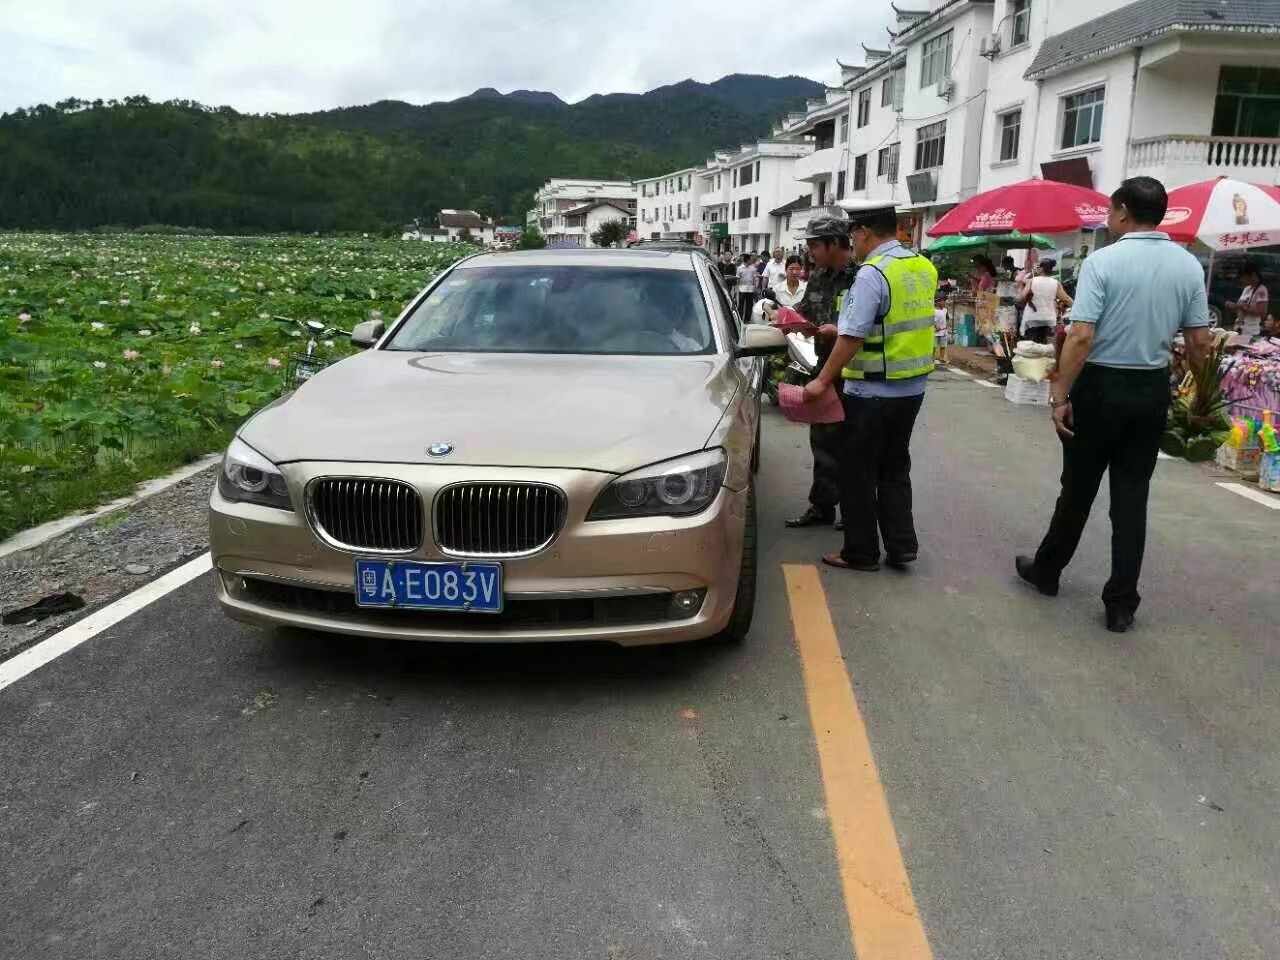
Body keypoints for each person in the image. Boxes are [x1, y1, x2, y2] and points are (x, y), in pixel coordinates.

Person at [1016, 177, 1213, 634]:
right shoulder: (1187, 266)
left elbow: (1081, 335)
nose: (1108, 218)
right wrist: (1200, 397)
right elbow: (1200, 342)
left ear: (1123, 211)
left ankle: (1048, 570)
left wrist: (1060, 395)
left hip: (1102, 387)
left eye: (1110, 210)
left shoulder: (1103, 262)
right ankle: (1121, 603)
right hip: (1150, 389)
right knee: (1131, 496)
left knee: (1078, 488)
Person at [804, 202, 938, 571]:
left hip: (871, 392)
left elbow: (853, 336)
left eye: (854, 236)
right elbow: (893, 320)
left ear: (863, 233)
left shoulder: (871, 273)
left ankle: (860, 552)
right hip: (912, 389)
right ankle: (901, 546)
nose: (853, 244)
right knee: (895, 469)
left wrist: (822, 381)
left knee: (857, 474)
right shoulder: (922, 266)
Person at [764, 211, 858, 529]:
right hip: (822, 368)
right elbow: (807, 311)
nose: (810, 252)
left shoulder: (862, 277)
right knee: (822, 441)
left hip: (856, 373)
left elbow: (868, 325)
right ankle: (822, 506)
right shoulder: (818, 276)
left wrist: (838, 330)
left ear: (834, 243)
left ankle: (854, 510)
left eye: (815, 245)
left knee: (854, 444)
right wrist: (787, 317)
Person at [1021, 259, 1073, 344]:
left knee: (1033, 344)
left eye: (1038, 266)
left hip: (1033, 318)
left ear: (1042, 269)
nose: (1037, 268)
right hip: (1046, 319)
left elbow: (1023, 297)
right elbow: (1066, 299)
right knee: (1043, 344)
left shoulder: (1032, 281)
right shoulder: (1054, 283)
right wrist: (1077, 307)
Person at [1223, 259, 1268, 338]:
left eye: (1243, 277)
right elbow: (1240, 308)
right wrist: (1232, 306)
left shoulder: (1261, 290)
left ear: (1252, 275)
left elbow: (1262, 313)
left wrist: (1241, 307)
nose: (1241, 280)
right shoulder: (1247, 289)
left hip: (1251, 332)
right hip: (1239, 329)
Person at [735, 254, 758, 320]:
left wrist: (755, 287)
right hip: (742, 289)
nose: (751, 260)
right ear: (747, 260)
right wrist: (737, 288)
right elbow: (737, 278)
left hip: (750, 289)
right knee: (741, 305)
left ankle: (747, 319)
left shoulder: (753, 268)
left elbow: (754, 278)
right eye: (750, 259)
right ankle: (740, 318)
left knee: (749, 305)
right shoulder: (740, 268)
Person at [933, 297, 949, 364]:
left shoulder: (945, 310)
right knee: (933, 346)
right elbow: (931, 319)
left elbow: (947, 319)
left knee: (943, 345)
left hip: (943, 331)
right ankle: (932, 358)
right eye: (943, 301)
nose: (944, 303)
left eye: (944, 301)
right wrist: (935, 326)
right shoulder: (933, 310)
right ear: (937, 302)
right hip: (935, 331)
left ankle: (942, 358)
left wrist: (946, 326)